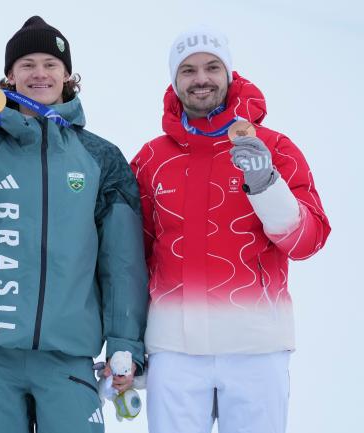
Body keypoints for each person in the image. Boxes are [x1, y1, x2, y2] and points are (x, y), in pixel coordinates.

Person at [0, 16, 148, 433]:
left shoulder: (101, 157)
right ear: (9, 77)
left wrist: (125, 344)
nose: (39, 73)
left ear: (68, 75)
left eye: (50, 63)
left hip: (68, 360)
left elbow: (121, 263)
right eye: (26, 64)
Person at [130, 27, 331, 433]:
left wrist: (266, 184)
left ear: (229, 74)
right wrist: (130, 346)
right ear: (174, 80)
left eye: (211, 67)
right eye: (187, 70)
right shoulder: (152, 158)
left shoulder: (275, 147)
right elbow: (134, 257)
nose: (200, 78)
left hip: (256, 346)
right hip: (175, 350)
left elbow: (307, 241)